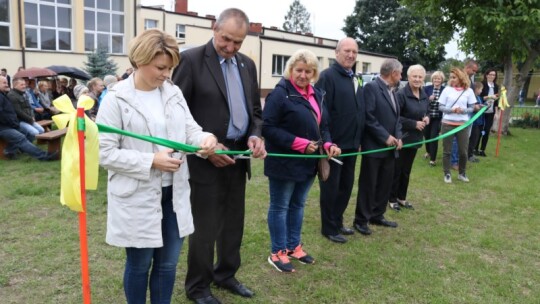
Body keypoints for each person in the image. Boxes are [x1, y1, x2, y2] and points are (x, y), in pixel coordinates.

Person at [96, 28, 217, 304]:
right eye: (161, 67)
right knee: (139, 266)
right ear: (140, 60)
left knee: (167, 265)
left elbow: (191, 130)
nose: (166, 74)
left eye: (170, 68)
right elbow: (104, 153)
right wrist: (152, 161)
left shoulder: (173, 93)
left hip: (173, 194)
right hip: (136, 196)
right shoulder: (116, 99)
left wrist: (206, 138)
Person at [171, 8, 266, 304]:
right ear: (214, 28)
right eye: (226, 39)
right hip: (206, 159)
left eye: (238, 42)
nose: (230, 47)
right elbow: (177, 113)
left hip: (238, 157)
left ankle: (226, 274)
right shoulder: (191, 60)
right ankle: (198, 287)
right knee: (205, 226)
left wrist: (255, 134)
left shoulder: (247, 65)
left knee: (233, 222)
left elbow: (255, 112)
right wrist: (205, 148)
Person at [264, 49, 341, 273]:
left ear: (314, 73)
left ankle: (293, 247)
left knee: (298, 205)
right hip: (285, 163)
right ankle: (277, 252)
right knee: (280, 207)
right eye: (299, 70)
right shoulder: (279, 94)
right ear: (290, 70)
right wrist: (298, 143)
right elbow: (268, 128)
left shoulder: (316, 93)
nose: (303, 75)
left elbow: (323, 126)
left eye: (309, 71)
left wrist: (328, 144)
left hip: (309, 163)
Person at [314, 37, 364, 244]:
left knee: (346, 186)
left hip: (352, 144)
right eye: (346, 51)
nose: (351, 55)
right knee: (331, 187)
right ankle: (329, 227)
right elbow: (321, 113)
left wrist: (358, 138)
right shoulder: (327, 77)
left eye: (354, 51)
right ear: (336, 53)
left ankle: (338, 221)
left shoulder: (356, 77)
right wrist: (328, 141)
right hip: (333, 145)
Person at [353, 58, 403, 236]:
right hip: (374, 147)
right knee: (369, 183)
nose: (401, 76)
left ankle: (377, 214)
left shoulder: (394, 92)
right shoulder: (371, 88)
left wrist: (398, 137)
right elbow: (368, 117)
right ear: (393, 73)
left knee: (385, 183)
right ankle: (361, 219)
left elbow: (397, 118)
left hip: (390, 149)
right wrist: (385, 137)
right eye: (400, 73)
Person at [388, 64, 429, 211]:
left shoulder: (424, 94)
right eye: (414, 76)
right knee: (397, 170)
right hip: (402, 138)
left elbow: (426, 111)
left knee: (407, 170)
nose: (417, 79)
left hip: (415, 139)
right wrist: (413, 123)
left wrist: (426, 118)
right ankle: (391, 198)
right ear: (408, 77)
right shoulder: (401, 94)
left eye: (420, 77)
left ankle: (401, 197)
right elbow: (396, 117)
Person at [0, 76, 58, 161]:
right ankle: (44, 156)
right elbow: (2, 114)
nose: (7, 85)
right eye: (4, 83)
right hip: (4, 127)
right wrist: (13, 123)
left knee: (28, 134)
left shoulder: (3, 94)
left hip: (11, 125)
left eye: (7, 82)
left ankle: (9, 152)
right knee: (21, 138)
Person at [438, 67, 477, 183]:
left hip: (463, 125)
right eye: (450, 77)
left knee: (463, 152)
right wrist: (451, 110)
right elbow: (440, 107)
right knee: (447, 151)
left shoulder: (468, 91)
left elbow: (472, 107)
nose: (451, 79)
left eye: (454, 77)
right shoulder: (447, 90)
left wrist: (462, 111)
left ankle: (462, 173)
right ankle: (447, 174)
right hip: (447, 124)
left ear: (461, 77)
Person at [423, 71, 445, 166]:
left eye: (438, 78)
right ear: (432, 79)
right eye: (435, 78)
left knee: (433, 137)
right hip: (427, 117)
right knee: (427, 136)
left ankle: (433, 160)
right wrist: (429, 99)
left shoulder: (445, 90)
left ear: (442, 80)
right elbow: (422, 101)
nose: (436, 80)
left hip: (437, 117)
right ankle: (428, 152)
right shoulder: (426, 88)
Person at [475, 69, 499, 157]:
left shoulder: (496, 86)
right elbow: (479, 96)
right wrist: (489, 97)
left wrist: (496, 113)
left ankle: (482, 149)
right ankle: (475, 148)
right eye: (490, 74)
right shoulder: (483, 84)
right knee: (479, 130)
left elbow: (496, 100)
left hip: (491, 111)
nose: (492, 76)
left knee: (487, 130)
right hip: (481, 110)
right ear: (486, 75)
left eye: (494, 75)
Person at [468, 82, 485, 162]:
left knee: (475, 138)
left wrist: (485, 106)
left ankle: (471, 153)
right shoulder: (472, 98)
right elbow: (474, 109)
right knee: (472, 139)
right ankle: (469, 155)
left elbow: (481, 106)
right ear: (477, 89)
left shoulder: (479, 97)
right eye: (481, 89)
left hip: (479, 121)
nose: (481, 91)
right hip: (473, 121)